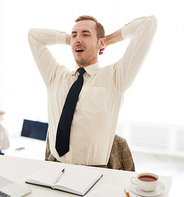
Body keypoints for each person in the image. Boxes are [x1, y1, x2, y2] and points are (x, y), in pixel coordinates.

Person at [28, 15, 157, 166]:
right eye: (74, 34)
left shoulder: (115, 78)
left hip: (93, 174)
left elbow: (148, 24)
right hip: (54, 166)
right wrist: (72, 40)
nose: (77, 39)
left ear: (100, 42)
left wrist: (107, 40)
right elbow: (34, 36)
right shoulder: (55, 76)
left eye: (86, 34)